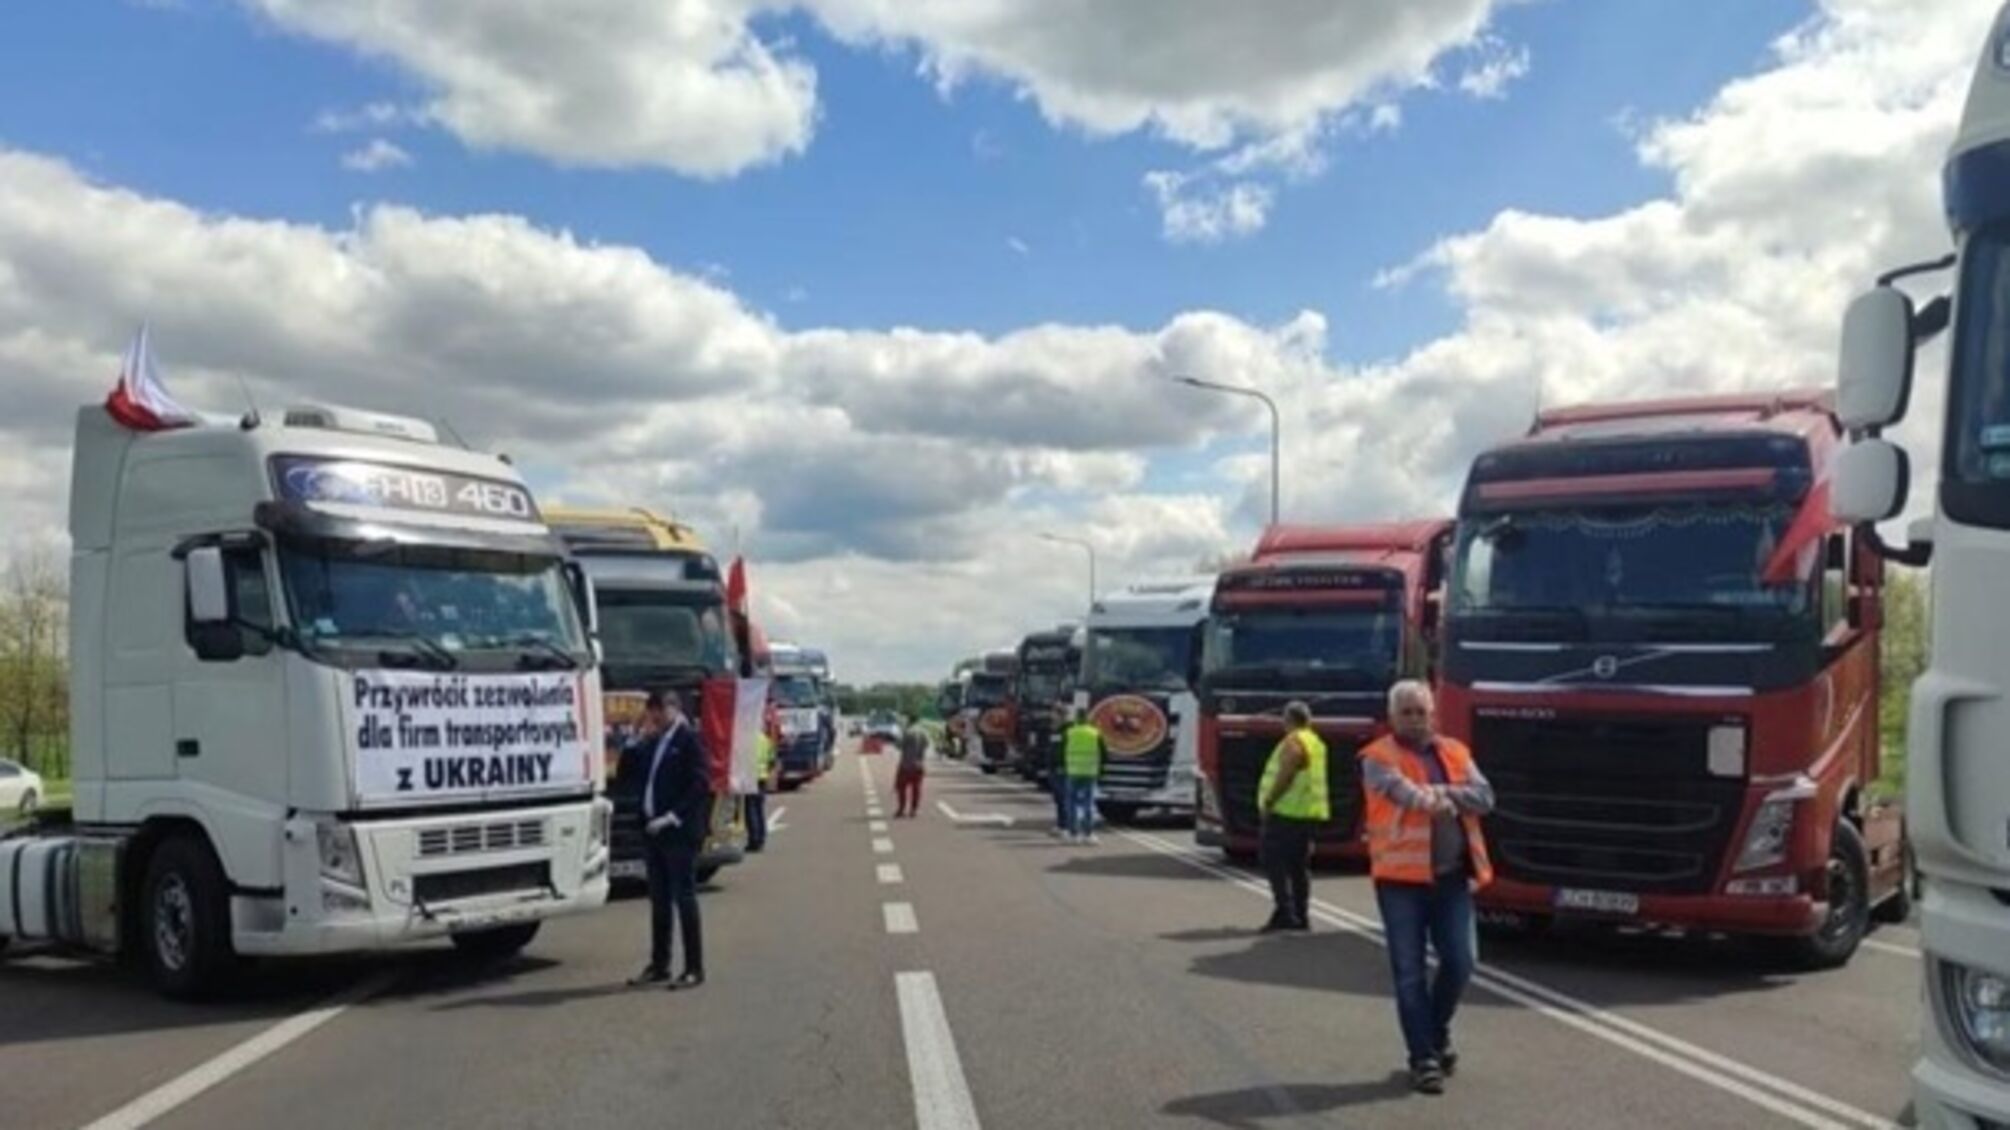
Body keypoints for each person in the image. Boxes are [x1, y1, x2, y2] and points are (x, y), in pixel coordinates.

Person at [1359, 679, 1495, 1095]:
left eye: (1422, 712)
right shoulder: (1377, 757)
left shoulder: (1454, 751)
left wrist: (1443, 791)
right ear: (1392, 716)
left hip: (1451, 878)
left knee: (1461, 961)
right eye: (1407, 712)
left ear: (1433, 713)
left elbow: (1485, 796)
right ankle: (1423, 1059)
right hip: (1401, 883)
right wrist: (1441, 798)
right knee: (1409, 974)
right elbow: (1406, 795)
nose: (1416, 720)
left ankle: (1434, 1033)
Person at [627, 688, 712, 991]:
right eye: (652, 713)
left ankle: (694, 967)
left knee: (684, 898)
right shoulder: (653, 741)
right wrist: (633, 739)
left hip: (678, 831)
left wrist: (673, 816)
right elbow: (628, 772)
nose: (655, 718)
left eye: (659, 712)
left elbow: (701, 782)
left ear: (673, 709)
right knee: (659, 901)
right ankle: (659, 965)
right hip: (653, 832)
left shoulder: (689, 740)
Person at [1255, 700, 1327, 934]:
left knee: (1274, 861)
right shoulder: (1315, 741)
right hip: (1307, 814)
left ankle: (1285, 912)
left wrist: (1269, 801)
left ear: (1287, 720)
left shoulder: (1294, 741)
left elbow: (1288, 770)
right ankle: (1301, 915)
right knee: (1299, 866)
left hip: (1285, 813)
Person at [1059, 710, 1105, 844]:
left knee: (1071, 803)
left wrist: (1063, 767)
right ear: (1088, 719)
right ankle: (1088, 834)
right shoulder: (1095, 733)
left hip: (1073, 772)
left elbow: (1061, 752)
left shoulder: (1069, 733)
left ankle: (1073, 834)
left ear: (1076, 719)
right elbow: (1104, 753)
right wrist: (1100, 769)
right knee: (1088, 803)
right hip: (1090, 772)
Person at [746, 715, 777, 852]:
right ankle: (761, 838)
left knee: (750, 810)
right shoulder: (765, 740)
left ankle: (754, 840)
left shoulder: (748, 741)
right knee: (759, 809)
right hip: (762, 778)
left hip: (750, 777)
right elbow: (772, 760)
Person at [894, 716, 928, 817]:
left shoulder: (907, 732)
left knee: (901, 787)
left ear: (909, 721)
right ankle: (914, 810)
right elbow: (927, 745)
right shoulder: (923, 732)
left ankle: (901, 809)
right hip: (919, 764)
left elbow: (898, 745)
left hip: (906, 764)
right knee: (916, 788)